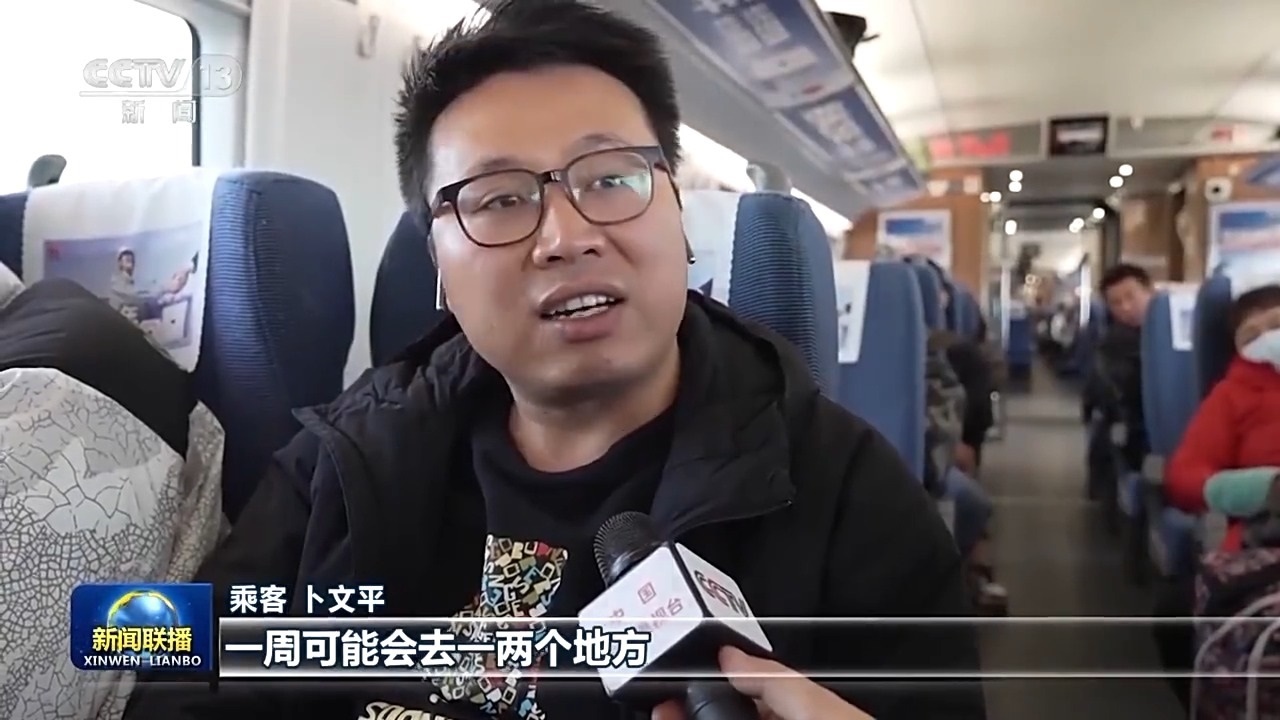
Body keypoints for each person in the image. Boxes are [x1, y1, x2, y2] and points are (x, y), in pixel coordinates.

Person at [125, 2, 985, 719]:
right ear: (438, 266)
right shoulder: (341, 463)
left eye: (610, 180)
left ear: (678, 214)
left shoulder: (849, 495)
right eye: (500, 199)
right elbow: (174, 672)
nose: (567, 237)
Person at [1152, 284, 1280, 712]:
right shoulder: (1232, 394)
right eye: (1253, 335)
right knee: (1174, 615)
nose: (1269, 339)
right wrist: (1257, 488)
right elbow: (1184, 477)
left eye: (1277, 325)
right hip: (1261, 544)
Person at [1084, 264, 1155, 474]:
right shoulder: (1113, 345)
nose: (1125, 307)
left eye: (1131, 297)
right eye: (1116, 303)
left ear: (1149, 292)